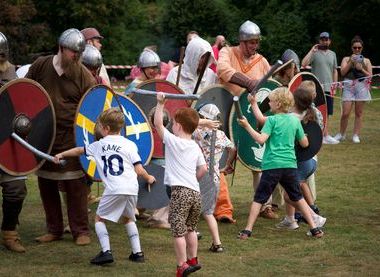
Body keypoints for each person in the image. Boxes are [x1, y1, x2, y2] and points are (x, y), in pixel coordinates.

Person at [53, 108, 155, 265]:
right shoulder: (130, 144)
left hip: (114, 189)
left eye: (100, 126)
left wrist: (62, 154)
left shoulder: (99, 145)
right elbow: (139, 169)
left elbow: (80, 150)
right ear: (120, 127)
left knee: (99, 219)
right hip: (131, 189)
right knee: (128, 219)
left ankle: (106, 252)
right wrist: (149, 177)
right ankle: (137, 253)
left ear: (106, 128)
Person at [26, 28, 96, 245]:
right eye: (73, 52)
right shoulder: (41, 65)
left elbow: (92, 106)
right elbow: (27, 90)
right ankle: (54, 229)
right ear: (61, 48)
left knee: (76, 185)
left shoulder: (83, 74)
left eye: (79, 53)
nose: (76, 56)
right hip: (44, 135)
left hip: (71, 136)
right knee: (46, 182)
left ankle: (81, 231)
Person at [237, 87, 324, 239]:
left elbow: (261, 139)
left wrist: (247, 126)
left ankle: (247, 230)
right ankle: (315, 229)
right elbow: (304, 143)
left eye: (270, 101)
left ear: (277, 104)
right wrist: (254, 104)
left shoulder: (272, 120)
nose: (269, 103)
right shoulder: (294, 121)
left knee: (259, 198)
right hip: (290, 165)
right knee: (297, 197)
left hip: (272, 165)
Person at [217, 20, 278, 219]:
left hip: (251, 117)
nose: (254, 46)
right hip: (225, 113)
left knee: (258, 162)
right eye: (251, 42)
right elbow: (223, 70)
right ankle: (218, 206)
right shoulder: (228, 52)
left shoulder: (261, 61)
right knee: (219, 161)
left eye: (256, 42)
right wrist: (248, 82)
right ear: (242, 41)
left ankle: (265, 205)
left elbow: (269, 86)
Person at [154, 93, 207, 276]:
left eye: (174, 123)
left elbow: (158, 125)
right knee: (190, 228)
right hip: (195, 192)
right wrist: (192, 180)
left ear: (178, 126)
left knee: (178, 231)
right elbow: (203, 169)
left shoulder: (173, 141)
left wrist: (161, 104)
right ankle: (193, 259)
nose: (172, 126)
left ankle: (182, 265)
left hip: (180, 193)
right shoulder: (195, 146)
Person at [275, 87, 326, 230]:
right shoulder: (314, 112)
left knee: (289, 195)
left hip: (301, 162)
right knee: (290, 189)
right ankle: (290, 220)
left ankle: (315, 219)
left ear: (294, 102)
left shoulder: (292, 118)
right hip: (311, 160)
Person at [193, 104, 236, 253]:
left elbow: (187, 123)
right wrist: (228, 163)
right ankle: (217, 243)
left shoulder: (197, 132)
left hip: (198, 176)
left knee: (191, 207)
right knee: (208, 212)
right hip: (215, 177)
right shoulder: (222, 135)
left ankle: (193, 233)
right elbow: (233, 149)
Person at [0, 32, 27, 253]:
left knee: (16, 189)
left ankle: (9, 233)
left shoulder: (13, 74)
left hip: (8, 143)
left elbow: (25, 104)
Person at [301, 32, 339, 145]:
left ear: (329, 41)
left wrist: (335, 84)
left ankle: (325, 134)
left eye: (326, 39)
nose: (324, 41)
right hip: (316, 88)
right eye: (322, 39)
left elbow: (335, 70)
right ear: (319, 40)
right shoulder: (315, 53)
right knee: (317, 111)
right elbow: (303, 64)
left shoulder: (333, 54)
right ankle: (322, 135)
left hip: (329, 88)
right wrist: (312, 51)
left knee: (327, 112)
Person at [334, 36, 373, 144]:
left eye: (359, 48)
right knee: (346, 112)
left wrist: (362, 69)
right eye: (355, 47)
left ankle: (356, 135)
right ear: (352, 48)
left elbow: (370, 76)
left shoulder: (366, 60)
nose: (357, 50)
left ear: (362, 48)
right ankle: (341, 134)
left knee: (359, 112)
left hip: (361, 86)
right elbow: (342, 72)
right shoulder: (346, 59)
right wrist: (351, 62)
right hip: (348, 86)